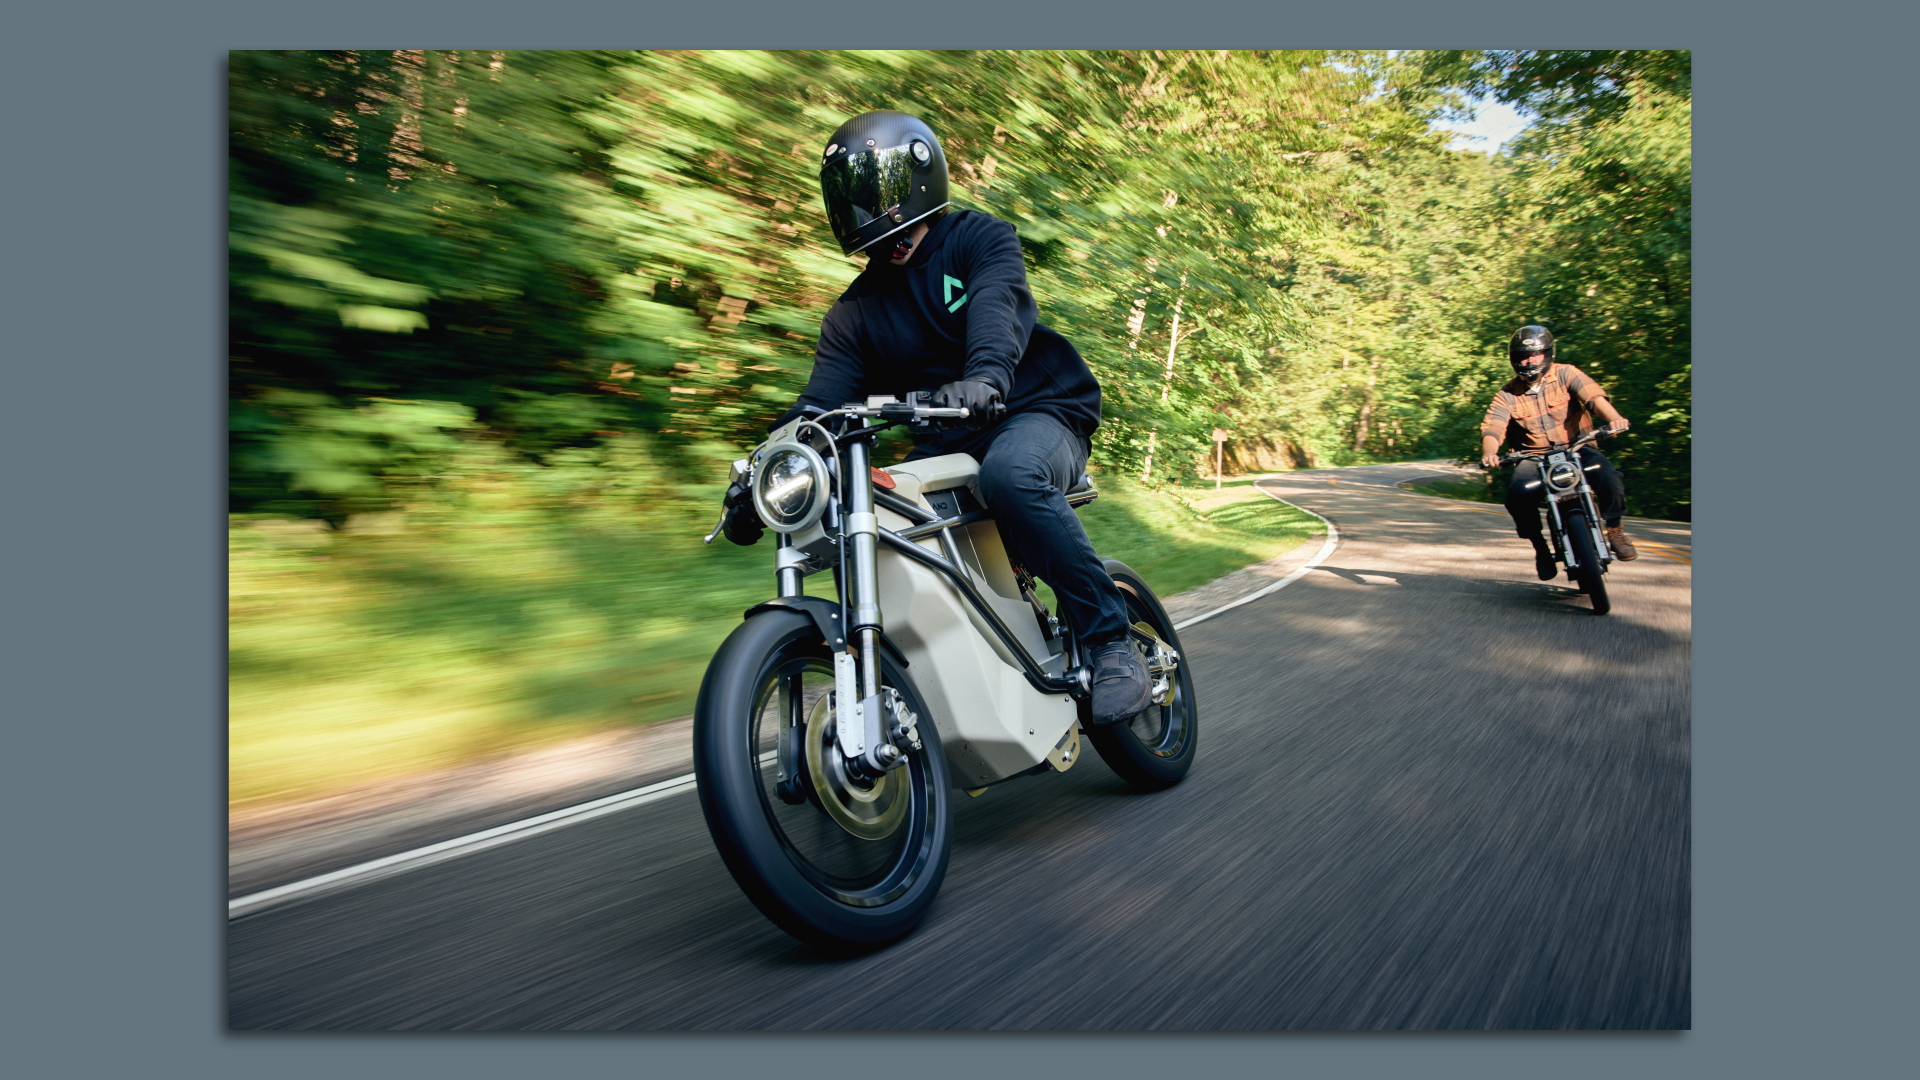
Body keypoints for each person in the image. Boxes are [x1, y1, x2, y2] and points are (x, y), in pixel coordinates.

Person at [719, 110, 1151, 724]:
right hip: (949, 437)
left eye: (874, 186)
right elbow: (818, 407)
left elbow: (998, 316)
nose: (862, 204)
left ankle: (1111, 642)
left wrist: (985, 380)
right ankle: (922, 680)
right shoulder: (853, 314)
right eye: (849, 194)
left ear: (919, 175)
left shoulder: (980, 239)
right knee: (863, 513)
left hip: (1035, 411)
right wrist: (765, 471)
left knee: (1011, 475)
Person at [1479, 325, 1641, 580]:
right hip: (1533, 457)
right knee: (1517, 498)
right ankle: (1540, 547)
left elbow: (1594, 398)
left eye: (1536, 354)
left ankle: (1615, 530)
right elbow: (1493, 428)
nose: (1529, 360)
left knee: (1609, 475)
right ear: (1513, 359)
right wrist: (1490, 453)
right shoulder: (1507, 395)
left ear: (1548, 354)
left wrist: (1615, 418)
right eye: (1522, 355)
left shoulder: (1567, 374)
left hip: (1578, 448)